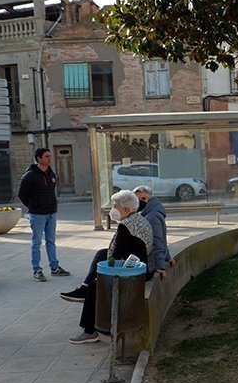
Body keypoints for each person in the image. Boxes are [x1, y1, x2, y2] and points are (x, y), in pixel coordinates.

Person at [62, 190, 154, 344]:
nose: (112, 209)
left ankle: (89, 331)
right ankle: (84, 288)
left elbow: (114, 258)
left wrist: (100, 277)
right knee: (101, 254)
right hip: (142, 268)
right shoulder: (139, 219)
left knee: (95, 288)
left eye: (115, 206)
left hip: (133, 273)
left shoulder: (125, 226)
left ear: (125, 210)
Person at [18, 147, 69, 282]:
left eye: (49, 156)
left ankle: (54, 267)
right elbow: (22, 194)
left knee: (51, 241)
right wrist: (34, 206)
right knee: (36, 242)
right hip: (37, 215)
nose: (49, 158)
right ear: (39, 159)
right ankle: (37, 270)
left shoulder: (51, 174)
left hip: (51, 213)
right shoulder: (30, 176)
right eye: (46, 156)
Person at [134, 185, 174, 280]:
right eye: (137, 199)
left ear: (150, 198)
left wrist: (160, 266)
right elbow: (162, 238)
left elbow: (157, 241)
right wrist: (168, 257)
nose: (140, 201)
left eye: (143, 198)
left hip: (150, 264)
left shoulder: (152, 217)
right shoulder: (150, 212)